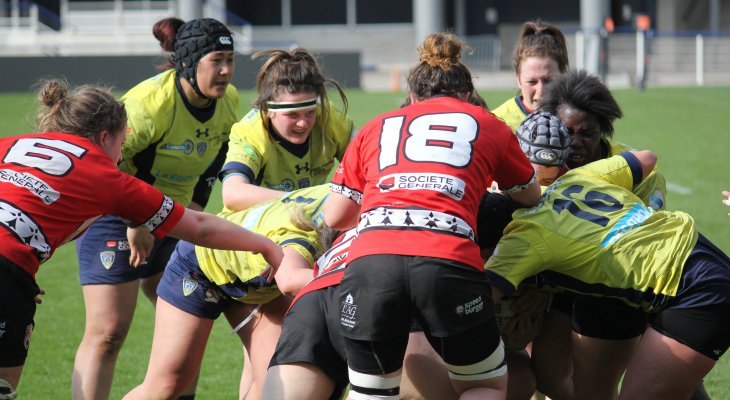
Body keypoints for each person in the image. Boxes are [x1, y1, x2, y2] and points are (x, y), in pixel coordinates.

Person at [0, 79, 282, 400]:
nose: (122, 154)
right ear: (105, 137)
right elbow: (200, 227)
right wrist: (266, 246)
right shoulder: (104, 175)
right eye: (122, 141)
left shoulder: (10, 144)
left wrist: (20, 269)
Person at [323, 32, 541, 399]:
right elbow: (529, 194)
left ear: (411, 97)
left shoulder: (377, 125)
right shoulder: (487, 123)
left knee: (371, 392)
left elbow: (335, 216)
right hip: (448, 259)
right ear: (468, 96)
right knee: (484, 384)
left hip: (371, 264)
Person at [72, 17, 239, 400]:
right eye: (217, 60)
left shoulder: (227, 103)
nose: (227, 70)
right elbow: (107, 164)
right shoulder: (147, 105)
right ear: (188, 62)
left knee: (188, 321)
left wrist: (190, 215)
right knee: (108, 332)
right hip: (117, 213)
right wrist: (139, 218)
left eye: (231, 59)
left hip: (172, 216)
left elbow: (215, 162)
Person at [484, 150, 730, 400]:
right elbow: (646, 158)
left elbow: (472, 306)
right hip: (685, 253)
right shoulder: (571, 179)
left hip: (694, 288)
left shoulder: (517, 242)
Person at [123, 185, 332, 400]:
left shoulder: (346, 199)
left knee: (271, 382)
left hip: (256, 283)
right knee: (165, 386)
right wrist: (350, 276)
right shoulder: (307, 232)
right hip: (201, 265)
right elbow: (289, 280)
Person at [535, 69, 667, 399]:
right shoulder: (542, 165)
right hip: (563, 280)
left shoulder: (638, 170)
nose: (576, 142)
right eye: (567, 132)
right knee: (547, 375)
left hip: (619, 285)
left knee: (666, 382)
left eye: (587, 133)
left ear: (603, 131)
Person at [220, 48, 355, 211]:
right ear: (268, 110)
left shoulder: (329, 118)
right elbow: (232, 194)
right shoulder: (250, 131)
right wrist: (307, 199)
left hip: (310, 218)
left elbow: (372, 166)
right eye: (292, 115)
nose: (303, 123)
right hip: (256, 224)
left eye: (310, 113)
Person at [492, 21, 569, 131]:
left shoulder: (575, 121)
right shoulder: (497, 122)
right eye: (532, 82)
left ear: (563, 76)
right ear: (518, 79)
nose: (540, 91)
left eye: (548, 81)